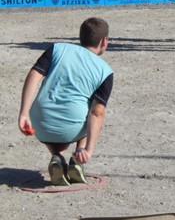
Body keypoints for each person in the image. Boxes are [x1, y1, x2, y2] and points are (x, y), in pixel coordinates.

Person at [18, 18, 114, 186]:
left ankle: (57, 156)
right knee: (91, 107)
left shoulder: (56, 49)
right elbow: (97, 113)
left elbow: (34, 75)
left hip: (39, 124)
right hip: (73, 127)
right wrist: (88, 151)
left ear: (81, 37)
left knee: (61, 112)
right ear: (104, 41)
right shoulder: (105, 71)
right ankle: (78, 155)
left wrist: (24, 113)